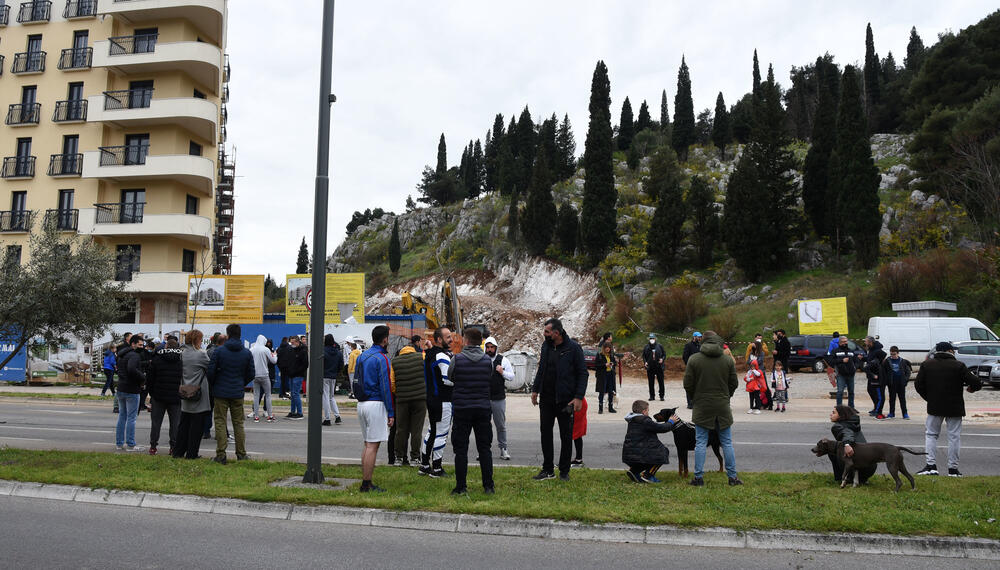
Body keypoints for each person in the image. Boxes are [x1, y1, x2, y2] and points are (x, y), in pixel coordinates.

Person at [530, 318, 587, 482]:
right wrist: (535, 390)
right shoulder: (546, 346)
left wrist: (578, 397)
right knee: (545, 434)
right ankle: (548, 470)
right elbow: (541, 369)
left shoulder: (573, 348)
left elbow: (583, 374)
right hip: (547, 399)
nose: (544, 334)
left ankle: (564, 471)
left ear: (557, 333)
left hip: (566, 401)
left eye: (547, 332)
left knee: (566, 436)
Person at [683, 331, 742, 486]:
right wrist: (726, 396)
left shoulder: (694, 359)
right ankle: (732, 477)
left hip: (702, 405)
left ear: (703, 341)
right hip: (722, 405)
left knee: (700, 442)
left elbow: (687, 384)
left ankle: (698, 477)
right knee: (727, 442)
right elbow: (734, 383)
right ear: (718, 341)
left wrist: (696, 398)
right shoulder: (727, 360)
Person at [914, 341, 982, 477]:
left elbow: (918, 385)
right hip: (955, 407)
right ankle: (953, 469)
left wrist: (930, 398)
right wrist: (971, 388)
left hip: (934, 406)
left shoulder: (927, 365)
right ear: (950, 351)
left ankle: (931, 466)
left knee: (931, 435)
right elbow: (976, 382)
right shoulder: (958, 365)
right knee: (954, 437)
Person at [448, 327, 495, 495]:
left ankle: (461, 487)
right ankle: (488, 486)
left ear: (466, 341)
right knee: (485, 448)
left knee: (461, 449)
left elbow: (451, 376)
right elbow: (488, 377)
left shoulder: (457, 359)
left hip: (462, 409)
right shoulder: (487, 361)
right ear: (480, 342)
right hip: (483, 408)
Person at [207, 324, 255, 464]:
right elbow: (251, 373)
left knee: (220, 421)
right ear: (240, 334)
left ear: (227, 335)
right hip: (237, 392)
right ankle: (241, 454)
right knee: (238, 423)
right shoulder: (246, 352)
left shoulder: (220, 351)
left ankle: (221, 455)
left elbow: (211, 371)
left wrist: (215, 384)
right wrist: (241, 383)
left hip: (220, 392)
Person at [355, 325, 394, 492]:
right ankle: (366, 483)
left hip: (362, 402)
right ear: (385, 339)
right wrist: (391, 411)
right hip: (376, 403)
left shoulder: (362, 356)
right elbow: (386, 386)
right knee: (373, 446)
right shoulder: (382, 358)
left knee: (367, 444)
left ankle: (366, 481)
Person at [419, 327, 454, 477]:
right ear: (439, 340)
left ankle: (424, 464)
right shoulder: (442, 356)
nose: (451, 339)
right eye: (448, 337)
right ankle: (437, 468)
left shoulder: (430, 353)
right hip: (443, 400)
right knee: (441, 433)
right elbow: (448, 380)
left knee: (432, 431)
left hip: (432, 398)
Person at [173, 329, 211, 460]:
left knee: (183, 425)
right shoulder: (201, 354)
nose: (201, 342)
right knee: (196, 427)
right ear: (196, 340)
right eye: (200, 339)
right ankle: (191, 453)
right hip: (198, 393)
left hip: (185, 391)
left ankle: (178, 452)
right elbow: (209, 367)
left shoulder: (182, 353)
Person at [622, 399, 680, 483]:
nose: (648, 412)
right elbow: (662, 428)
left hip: (628, 456)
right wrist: (671, 422)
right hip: (638, 455)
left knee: (646, 453)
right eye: (648, 410)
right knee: (663, 452)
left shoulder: (632, 420)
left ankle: (634, 470)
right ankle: (649, 475)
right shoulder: (645, 421)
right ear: (644, 411)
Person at [391, 337, 426, 463]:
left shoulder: (395, 362)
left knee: (401, 430)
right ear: (412, 349)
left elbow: (393, 383)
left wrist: (399, 393)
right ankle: (415, 458)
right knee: (416, 430)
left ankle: (399, 457)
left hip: (402, 400)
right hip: (420, 399)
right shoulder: (421, 357)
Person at [146, 338, 183, 455]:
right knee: (175, 424)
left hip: (159, 396)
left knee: (156, 423)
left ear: (166, 347)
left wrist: (152, 394)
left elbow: (150, 379)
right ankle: (173, 447)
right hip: (175, 397)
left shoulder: (157, 359)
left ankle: (153, 446)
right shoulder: (180, 360)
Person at [827, 405, 875, 484]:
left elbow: (847, 433)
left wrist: (847, 445)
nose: (831, 414)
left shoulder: (837, 426)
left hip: (859, 466)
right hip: (870, 468)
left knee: (832, 451)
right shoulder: (854, 424)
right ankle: (862, 479)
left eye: (833, 413)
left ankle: (842, 478)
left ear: (841, 415)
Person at [484, 336, 514, 460]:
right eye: (488, 347)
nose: (490, 349)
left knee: (500, 425)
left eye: (492, 347)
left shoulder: (503, 360)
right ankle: (484, 450)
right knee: (484, 426)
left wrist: (502, 372)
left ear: (496, 348)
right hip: (484, 398)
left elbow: (511, 376)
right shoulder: (482, 360)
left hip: (498, 398)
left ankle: (503, 449)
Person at [115, 335, 146, 451]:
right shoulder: (134, 355)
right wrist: (143, 377)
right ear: (133, 344)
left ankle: (119, 443)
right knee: (131, 418)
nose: (142, 347)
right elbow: (132, 369)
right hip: (132, 389)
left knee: (122, 416)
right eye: (140, 345)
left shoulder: (121, 355)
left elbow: (119, 370)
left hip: (121, 388)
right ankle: (130, 444)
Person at [826, 336, 861, 410]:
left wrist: (855, 367)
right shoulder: (835, 351)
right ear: (840, 342)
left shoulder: (850, 351)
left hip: (851, 374)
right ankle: (839, 408)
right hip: (841, 375)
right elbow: (830, 361)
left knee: (851, 392)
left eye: (846, 341)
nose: (846, 343)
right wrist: (842, 360)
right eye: (844, 341)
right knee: (840, 392)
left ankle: (851, 408)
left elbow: (856, 361)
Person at [250, 334, 277, 423]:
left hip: (255, 375)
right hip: (265, 375)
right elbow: (274, 361)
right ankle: (270, 415)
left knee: (256, 396)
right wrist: (275, 355)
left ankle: (256, 416)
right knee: (268, 395)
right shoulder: (265, 349)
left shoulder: (252, 349)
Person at [880, 346, 912, 419]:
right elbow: (883, 372)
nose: (893, 356)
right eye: (891, 354)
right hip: (892, 383)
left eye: (894, 354)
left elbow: (908, 371)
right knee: (892, 399)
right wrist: (886, 381)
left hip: (901, 383)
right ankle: (891, 413)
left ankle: (905, 414)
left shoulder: (903, 361)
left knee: (902, 399)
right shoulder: (887, 361)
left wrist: (905, 380)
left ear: (898, 353)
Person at [322, 334, 344, 426]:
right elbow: (341, 365)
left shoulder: (323, 351)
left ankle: (327, 419)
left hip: (324, 376)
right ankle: (337, 416)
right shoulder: (338, 352)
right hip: (333, 376)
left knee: (325, 397)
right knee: (331, 397)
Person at [863, 336, 888, 419]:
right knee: (870, 390)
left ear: (870, 342)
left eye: (866, 342)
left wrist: (877, 363)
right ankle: (875, 407)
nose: (865, 343)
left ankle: (878, 411)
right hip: (871, 375)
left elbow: (884, 356)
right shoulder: (870, 349)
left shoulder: (878, 350)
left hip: (878, 376)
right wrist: (863, 358)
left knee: (879, 394)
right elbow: (870, 358)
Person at [286, 335, 308, 419]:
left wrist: (296, 371)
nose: (291, 344)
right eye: (291, 342)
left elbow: (305, 364)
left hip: (298, 375)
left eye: (293, 342)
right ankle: (292, 412)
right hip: (292, 374)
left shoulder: (303, 350)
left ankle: (299, 413)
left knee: (295, 394)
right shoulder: (292, 349)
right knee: (293, 394)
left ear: (297, 342)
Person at [681, 332, 703, 409]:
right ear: (694, 337)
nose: (700, 338)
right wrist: (689, 365)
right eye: (698, 337)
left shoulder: (700, 346)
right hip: (690, 369)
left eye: (700, 337)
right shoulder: (688, 345)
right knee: (690, 385)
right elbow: (685, 357)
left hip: (699, 369)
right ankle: (690, 403)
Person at [642, 333, 666, 401]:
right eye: (650, 338)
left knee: (661, 382)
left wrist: (662, 359)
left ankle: (662, 396)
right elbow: (643, 356)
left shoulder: (660, 346)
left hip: (659, 366)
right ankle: (652, 396)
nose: (651, 340)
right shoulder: (646, 347)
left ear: (655, 339)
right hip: (650, 367)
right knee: (651, 382)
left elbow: (664, 354)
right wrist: (645, 362)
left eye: (653, 338)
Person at [595, 343, 617, 414]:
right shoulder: (599, 355)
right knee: (602, 391)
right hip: (602, 376)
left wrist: (612, 363)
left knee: (611, 391)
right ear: (604, 348)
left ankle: (610, 407)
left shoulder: (611, 355)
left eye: (609, 348)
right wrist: (605, 365)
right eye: (606, 347)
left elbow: (615, 363)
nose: (607, 349)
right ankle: (600, 408)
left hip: (610, 375)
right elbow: (596, 365)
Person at [571, 397, 588, 467]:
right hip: (577, 403)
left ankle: (577, 459)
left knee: (575, 433)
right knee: (576, 434)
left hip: (577, 404)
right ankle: (578, 459)